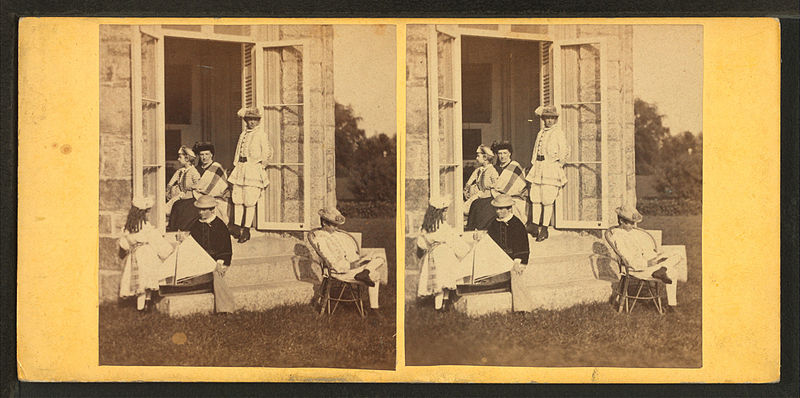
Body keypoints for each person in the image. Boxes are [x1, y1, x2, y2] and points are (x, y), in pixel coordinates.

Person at [607, 204, 683, 313]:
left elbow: (645, 250)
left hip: (649, 263)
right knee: (673, 272)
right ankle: (672, 305)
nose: (633, 226)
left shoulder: (633, 233)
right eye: (630, 223)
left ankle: (663, 268)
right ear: (621, 221)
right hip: (636, 269)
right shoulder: (618, 237)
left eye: (634, 223)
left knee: (678, 253)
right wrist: (647, 263)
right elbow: (628, 259)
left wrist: (655, 257)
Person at [313, 207, 386, 316]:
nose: (336, 228)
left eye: (337, 225)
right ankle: (374, 309)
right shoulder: (320, 239)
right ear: (324, 223)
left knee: (380, 256)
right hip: (339, 271)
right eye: (333, 225)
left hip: (351, 265)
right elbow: (330, 260)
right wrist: (351, 265)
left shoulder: (337, 235)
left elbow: (349, 252)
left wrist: (358, 260)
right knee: (375, 275)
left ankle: (365, 272)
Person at [180, 195, 236, 313]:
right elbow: (193, 243)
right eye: (199, 209)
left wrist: (219, 262)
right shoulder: (197, 224)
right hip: (201, 259)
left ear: (212, 210)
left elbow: (225, 248)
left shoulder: (219, 226)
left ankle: (225, 308)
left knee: (216, 275)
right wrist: (184, 240)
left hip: (218, 260)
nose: (201, 212)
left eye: (204, 210)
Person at [416, 196, 472, 311]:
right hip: (444, 254)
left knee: (439, 281)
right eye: (444, 211)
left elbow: (421, 244)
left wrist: (429, 247)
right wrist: (465, 250)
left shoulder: (425, 227)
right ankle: (442, 305)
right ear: (438, 212)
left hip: (432, 254)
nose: (446, 214)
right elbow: (453, 240)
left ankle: (441, 305)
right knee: (445, 280)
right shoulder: (443, 226)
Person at [118, 196, 174, 311]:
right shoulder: (146, 227)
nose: (148, 215)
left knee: (140, 281)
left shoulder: (128, 228)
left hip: (135, 255)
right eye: (147, 212)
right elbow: (156, 240)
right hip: (147, 254)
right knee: (147, 279)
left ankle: (141, 306)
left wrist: (131, 245)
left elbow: (124, 244)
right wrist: (167, 250)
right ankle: (147, 304)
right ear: (142, 214)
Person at [228, 107, 272, 243]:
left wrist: (259, 165)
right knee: (238, 197)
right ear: (246, 120)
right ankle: (236, 226)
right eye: (249, 119)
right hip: (241, 168)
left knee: (249, 200)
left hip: (252, 169)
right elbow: (238, 151)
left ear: (258, 121)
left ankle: (246, 229)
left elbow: (267, 152)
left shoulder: (261, 134)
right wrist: (236, 164)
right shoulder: (243, 134)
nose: (252, 122)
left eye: (255, 119)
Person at [525, 105, 569, 242]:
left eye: (552, 118)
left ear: (555, 120)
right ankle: (534, 225)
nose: (549, 121)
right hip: (538, 167)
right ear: (543, 119)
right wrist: (534, 163)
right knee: (535, 197)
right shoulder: (541, 132)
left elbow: (564, 151)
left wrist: (556, 164)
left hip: (550, 168)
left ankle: (544, 229)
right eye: (547, 118)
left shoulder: (558, 133)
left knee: (547, 199)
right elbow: (535, 150)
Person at [466, 141, 528, 230]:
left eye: (505, 153)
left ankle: (484, 228)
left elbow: (512, 187)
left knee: (485, 205)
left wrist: (492, 191)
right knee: (477, 203)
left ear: (510, 154)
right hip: (495, 194)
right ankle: (473, 227)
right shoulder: (495, 167)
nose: (502, 156)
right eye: (500, 153)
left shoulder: (514, 166)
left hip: (512, 196)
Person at [192, 142, 231, 226]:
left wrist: (201, 190)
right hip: (198, 196)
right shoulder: (196, 169)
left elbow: (221, 187)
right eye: (201, 154)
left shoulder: (216, 167)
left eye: (207, 154)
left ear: (211, 155)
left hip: (217, 198)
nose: (204, 157)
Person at [165, 146, 201, 231]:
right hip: (180, 195)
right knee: (169, 206)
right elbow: (171, 182)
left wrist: (191, 188)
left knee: (176, 206)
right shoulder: (180, 171)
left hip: (190, 197)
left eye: (180, 157)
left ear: (187, 158)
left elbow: (198, 185)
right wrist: (169, 189)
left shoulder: (193, 172)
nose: (178, 159)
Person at [463, 144, 499, 217]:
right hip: (477, 195)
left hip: (488, 197)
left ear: (485, 157)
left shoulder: (492, 170)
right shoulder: (478, 170)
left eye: (478, 156)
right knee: (464, 208)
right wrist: (466, 190)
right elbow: (469, 182)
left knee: (474, 206)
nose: (476, 158)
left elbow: (496, 186)